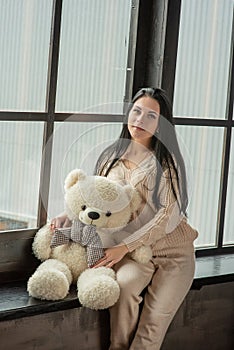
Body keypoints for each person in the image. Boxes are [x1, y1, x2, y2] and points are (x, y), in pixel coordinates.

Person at [51, 87, 198, 350]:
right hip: (134, 252)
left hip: (172, 255)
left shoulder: (167, 162)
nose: (140, 120)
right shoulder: (110, 156)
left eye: (151, 116)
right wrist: (67, 215)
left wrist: (123, 247)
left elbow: (166, 217)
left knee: (153, 324)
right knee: (124, 289)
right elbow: (95, 198)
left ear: (161, 124)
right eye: (136, 111)